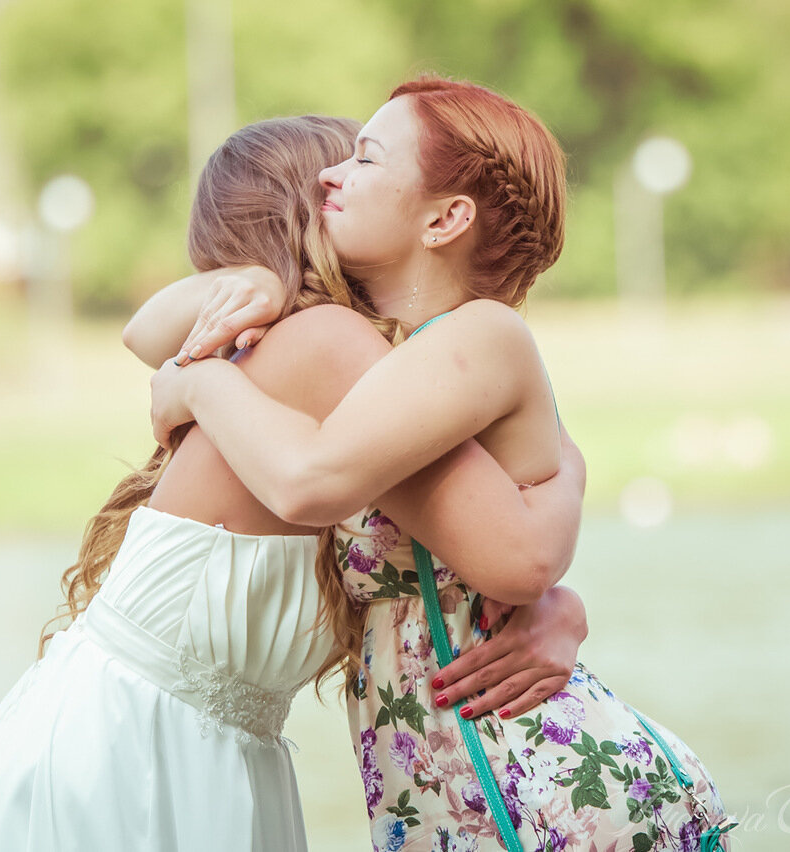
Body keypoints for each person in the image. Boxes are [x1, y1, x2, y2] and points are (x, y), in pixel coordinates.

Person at [0, 115, 590, 852]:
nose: (346, 180)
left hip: (179, 748)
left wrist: (561, 605)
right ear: (311, 211)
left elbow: (449, 551)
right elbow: (511, 543)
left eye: (366, 165)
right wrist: (567, 476)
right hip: (135, 757)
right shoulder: (328, 347)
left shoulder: (301, 361)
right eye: (341, 169)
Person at [146, 78, 733, 851]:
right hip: (444, 804)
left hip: (543, 796)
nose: (332, 175)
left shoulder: (481, 335)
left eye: (364, 157)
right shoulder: (378, 365)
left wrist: (194, 377)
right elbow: (145, 331)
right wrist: (247, 283)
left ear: (448, 217)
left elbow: (311, 482)